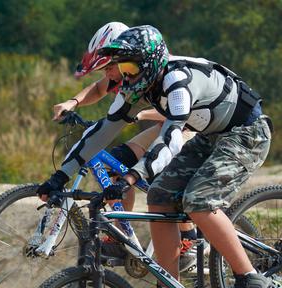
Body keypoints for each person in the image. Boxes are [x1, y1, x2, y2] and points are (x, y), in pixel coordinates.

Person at [51, 22, 200, 269]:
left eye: (109, 66)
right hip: (162, 128)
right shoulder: (122, 72)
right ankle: (121, 236)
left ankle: (189, 241)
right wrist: (73, 101)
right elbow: (100, 88)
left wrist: (140, 115)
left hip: (188, 128)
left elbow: (177, 113)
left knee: (166, 179)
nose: (108, 72)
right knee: (116, 163)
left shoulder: (157, 67)